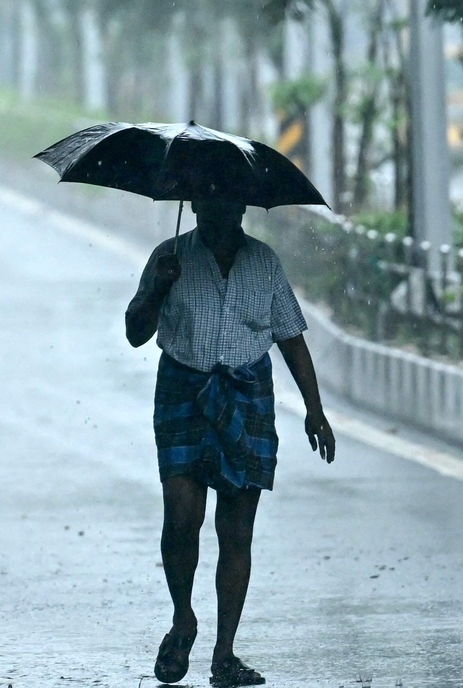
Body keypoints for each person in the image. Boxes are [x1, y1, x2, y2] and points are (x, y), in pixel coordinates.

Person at [126, 198, 336, 688]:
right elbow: (136, 333)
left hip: (248, 397)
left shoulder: (264, 263)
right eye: (210, 198)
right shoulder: (168, 256)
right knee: (181, 519)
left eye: (229, 199)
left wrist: (315, 410)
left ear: (241, 206)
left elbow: (291, 338)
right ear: (196, 205)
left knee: (236, 531)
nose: (220, 210)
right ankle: (183, 619)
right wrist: (158, 287)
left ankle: (225, 654)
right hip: (183, 391)